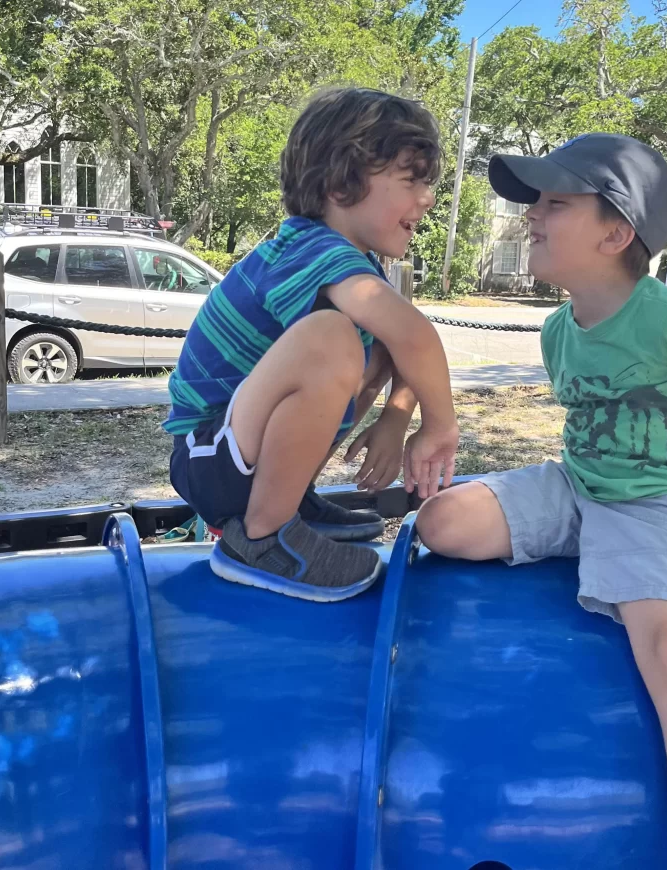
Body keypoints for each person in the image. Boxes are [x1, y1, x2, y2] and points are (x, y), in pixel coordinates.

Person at [414, 133, 667, 870]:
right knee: (443, 522)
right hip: (581, 486)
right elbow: (588, 434)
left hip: (664, 501)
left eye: (554, 204)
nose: (531, 218)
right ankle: (601, 557)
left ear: (617, 232)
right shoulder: (559, 332)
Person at [165, 87, 459, 602]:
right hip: (208, 457)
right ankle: (261, 539)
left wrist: (396, 417)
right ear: (340, 182)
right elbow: (416, 333)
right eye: (411, 179)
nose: (428, 197)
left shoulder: (357, 269)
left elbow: (403, 340)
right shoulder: (309, 248)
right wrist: (439, 427)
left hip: (237, 454)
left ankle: (290, 503)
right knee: (332, 338)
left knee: (368, 332)